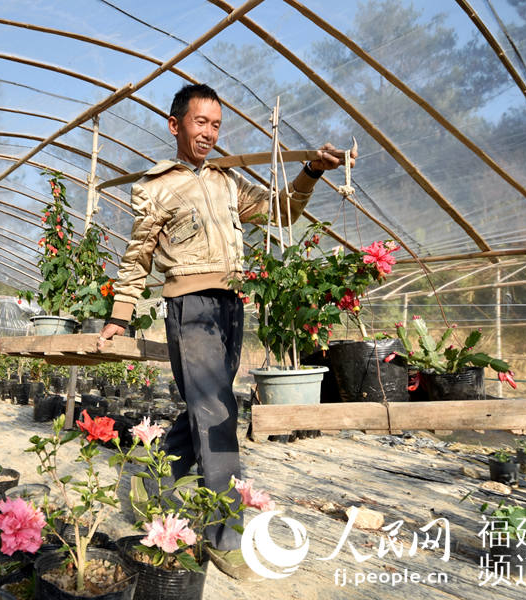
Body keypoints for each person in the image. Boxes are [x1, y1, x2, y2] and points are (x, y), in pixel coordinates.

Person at [96, 83, 355, 579]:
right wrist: (120, 314)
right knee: (217, 412)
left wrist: (311, 172)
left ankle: (150, 483)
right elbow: (138, 255)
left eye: (216, 125)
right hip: (188, 305)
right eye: (200, 123)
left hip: (231, 304)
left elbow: (282, 211)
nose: (209, 134)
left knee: (207, 403)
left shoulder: (227, 182)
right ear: (176, 125)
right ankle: (225, 536)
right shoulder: (155, 186)